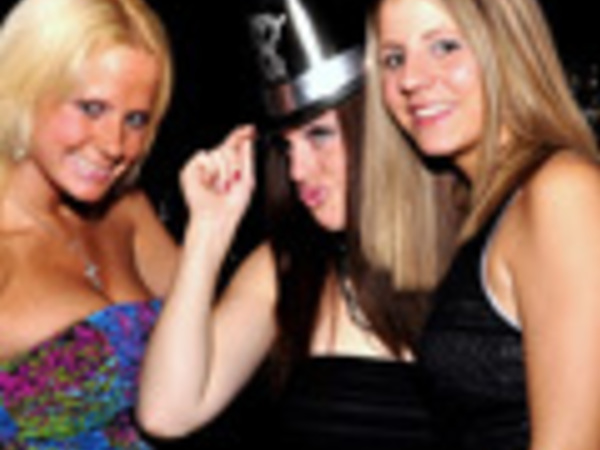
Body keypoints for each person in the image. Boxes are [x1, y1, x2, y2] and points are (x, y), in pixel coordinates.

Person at [138, 0, 442, 448]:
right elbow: (166, 413)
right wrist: (209, 229)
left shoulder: (481, 248)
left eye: (320, 135)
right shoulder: (285, 269)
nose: (297, 170)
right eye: (286, 146)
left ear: (379, 126)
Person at [366, 0, 600, 449]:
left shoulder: (561, 192)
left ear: (509, 47)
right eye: (393, 59)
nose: (410, 79)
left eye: (444, 47)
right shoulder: (478, 209)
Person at [0, 0, 179, 447]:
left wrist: (218, 223)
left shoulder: (127, 212)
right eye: (92, 108)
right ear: (26, 88)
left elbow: (217, 346)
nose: (115, 145)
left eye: (135, 119)